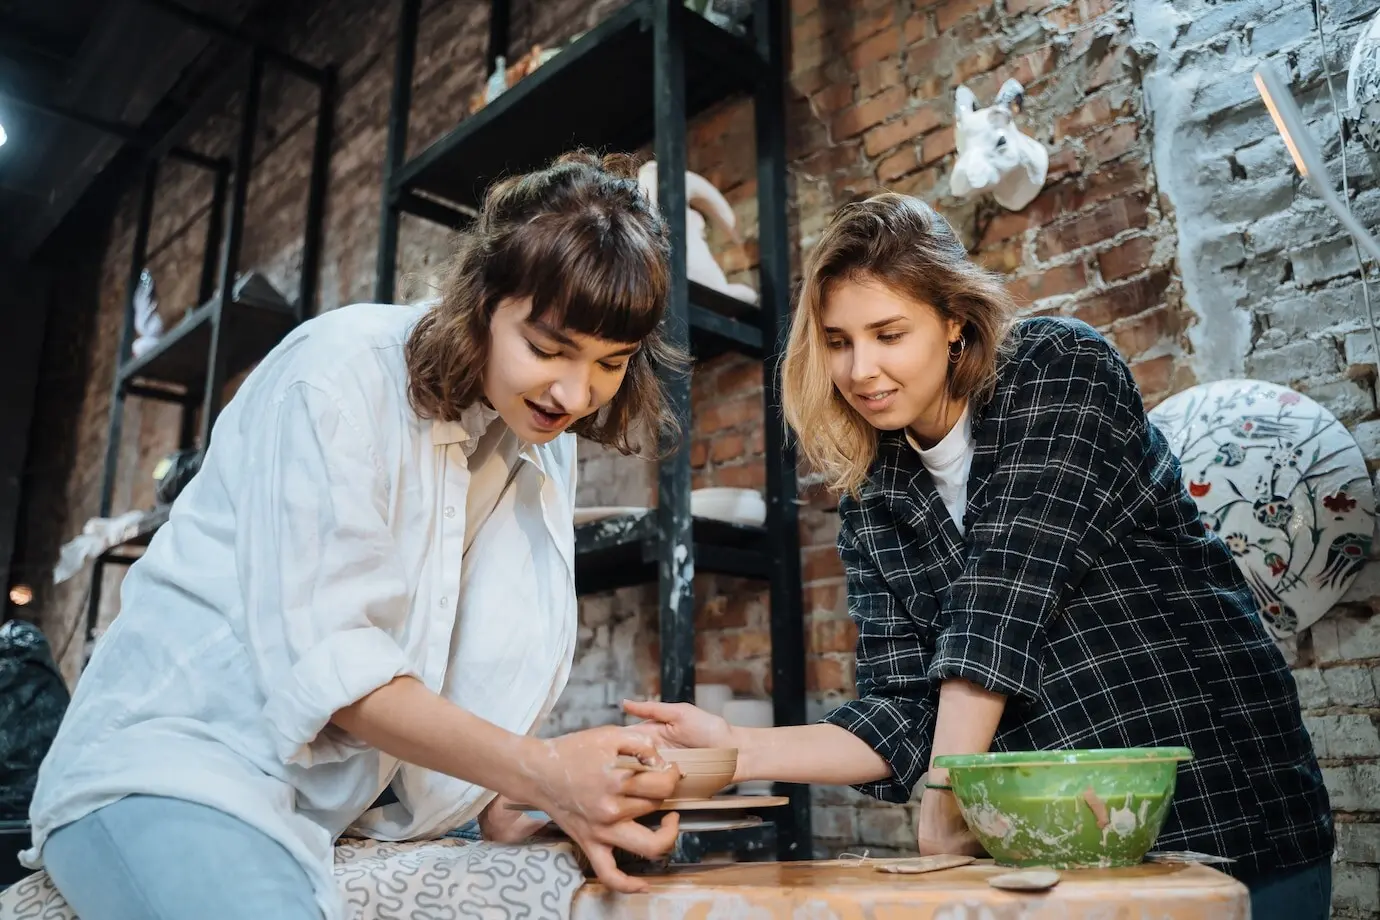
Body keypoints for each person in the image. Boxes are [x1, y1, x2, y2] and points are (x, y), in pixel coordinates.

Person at [625, 192, 1334, 919]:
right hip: (1051, 850)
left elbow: (1001, 601)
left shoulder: (1060, 369)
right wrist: (734, 750)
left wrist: (946, 788)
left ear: (954, 320)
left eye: (888, 333)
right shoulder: (874, 496)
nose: (861, 369)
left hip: (1221, 816)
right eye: (838, 341)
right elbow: (901, 713)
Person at [24, 151, 689, 920]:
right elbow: (340, 671)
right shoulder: (336, 376)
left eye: (610, 363)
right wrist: (540, 769)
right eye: (547, 349)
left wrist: (506, 799)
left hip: (326, 807)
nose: (575, 392)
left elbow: (462, 643)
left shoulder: (540, 430)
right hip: (174, 763)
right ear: (481, 299)